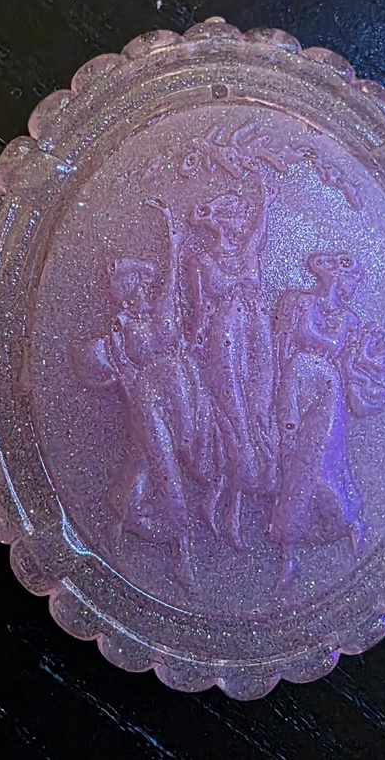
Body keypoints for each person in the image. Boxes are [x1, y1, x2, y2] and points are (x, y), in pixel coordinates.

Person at [70, 199, 196, 588]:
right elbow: (114, 370)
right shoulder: (121, 328)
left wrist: (174, 241)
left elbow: (173, 283)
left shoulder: (161, 308)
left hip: (180, 401)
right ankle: (184, 554)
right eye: (131, 283)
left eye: (139, 281)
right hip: (148, 404)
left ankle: (115, 526)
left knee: (143, 468)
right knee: (167, 471)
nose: (140, 286)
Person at [270, 251, 367, 586]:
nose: (354, 286)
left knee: (321, 462)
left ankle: (348, 520)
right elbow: (282, 347)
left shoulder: (349, 319)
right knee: (290, 460)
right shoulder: (299, 302)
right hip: (295, 378)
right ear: (337, 277)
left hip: (327, 387)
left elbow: (345, 362)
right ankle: (288, 553)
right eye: (353, 278)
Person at [188, 181, 276, 549]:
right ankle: (225, 508)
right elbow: (198, 311)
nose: (244, 223)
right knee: (234, 419)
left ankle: (239, 506)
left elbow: (260, 231)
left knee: (257, 415)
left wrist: (266, 201)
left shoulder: (250, 251)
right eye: (238, 217)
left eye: (245, 218)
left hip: (257, 335)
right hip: (222, 340)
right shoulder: (202, 261)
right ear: (224, 222)